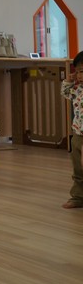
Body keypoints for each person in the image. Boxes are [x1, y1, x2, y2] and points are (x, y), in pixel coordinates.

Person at [61, 50, 83, 209]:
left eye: (82, 71)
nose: (80, 75)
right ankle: (78, 197)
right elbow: (65, 93)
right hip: (78, 134)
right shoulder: (77, 88)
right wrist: (68, 81)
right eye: (78, 72)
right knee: (78, 168)